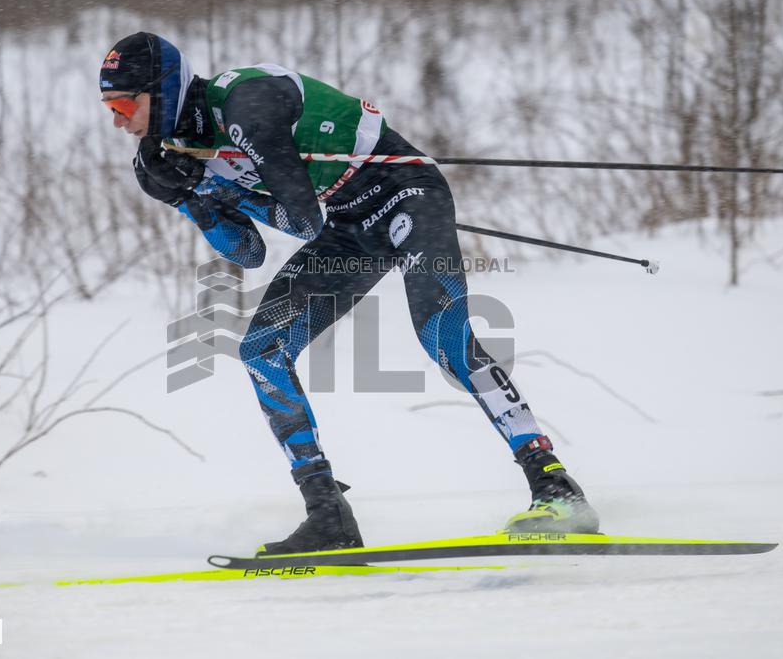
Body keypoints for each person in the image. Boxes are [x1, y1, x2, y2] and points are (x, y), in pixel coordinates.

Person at [99, 32, 599, 555]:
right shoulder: (161, 155)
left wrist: (215, 185)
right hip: (349, 225)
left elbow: (300, 219)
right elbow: (246, 251)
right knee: (261, 352)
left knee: (443, 336)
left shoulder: (247, 103)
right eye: (110, 108)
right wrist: (191, 199)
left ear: (166, 90)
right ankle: (327, 513)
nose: (117, 119)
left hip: (406, 194)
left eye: (124, 103)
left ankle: (556, 486)